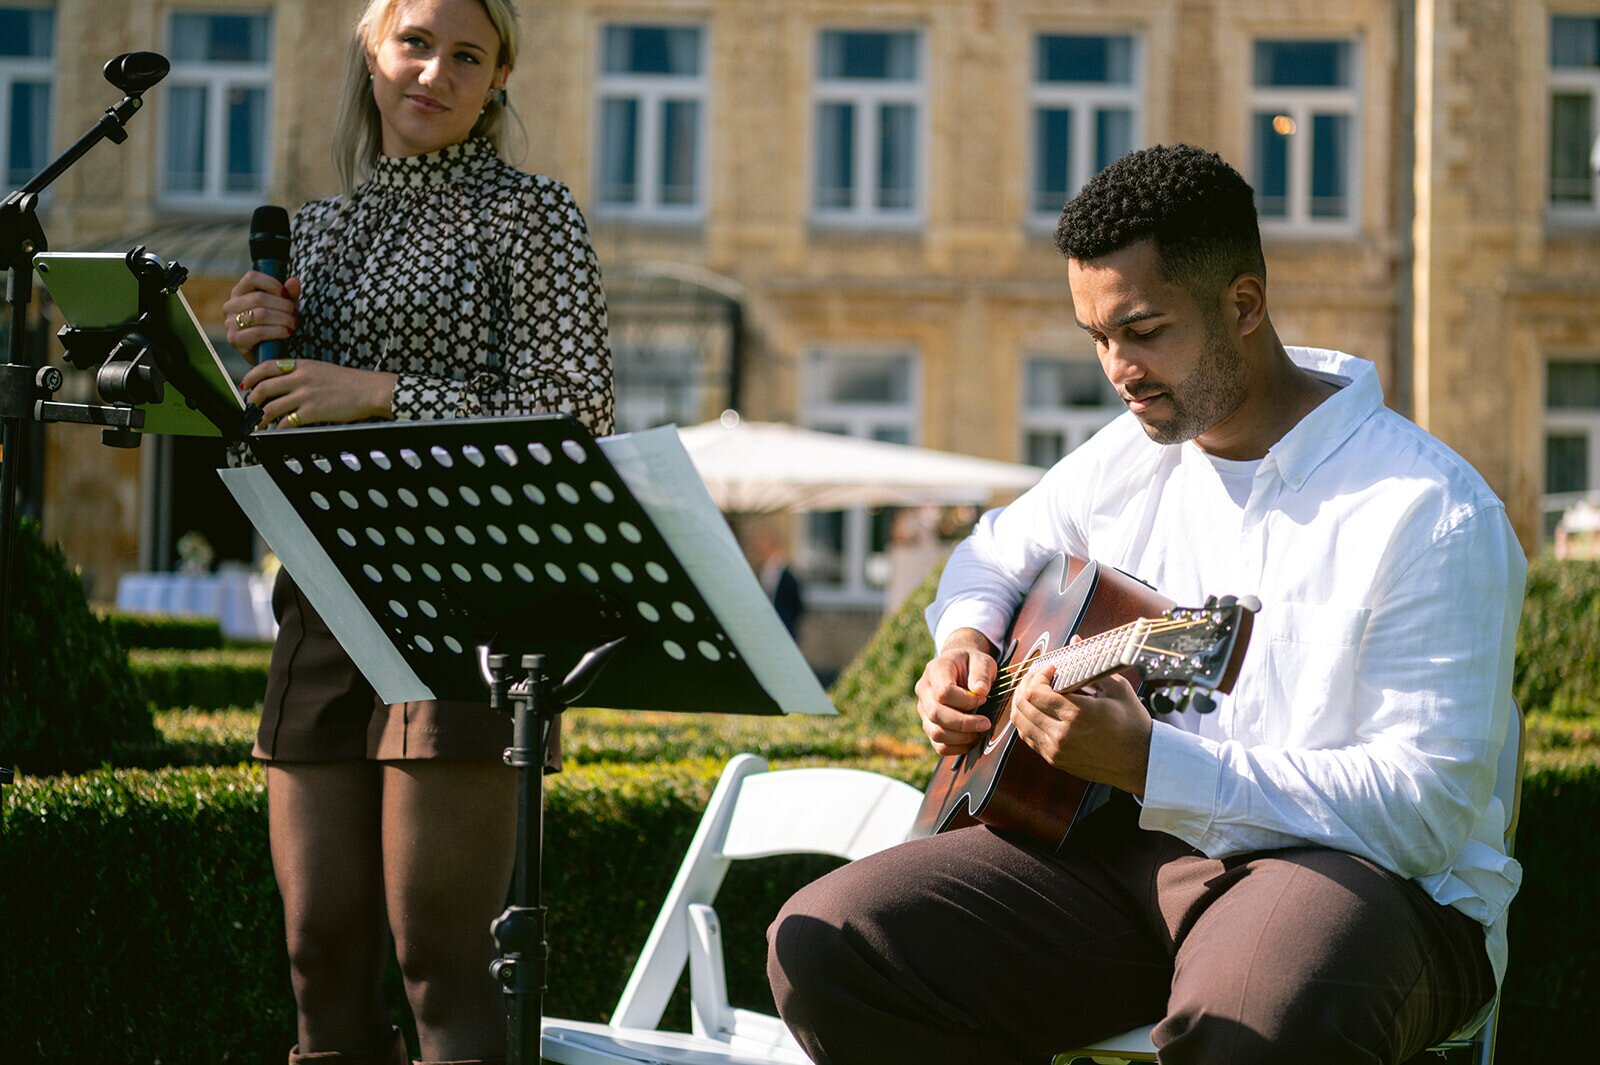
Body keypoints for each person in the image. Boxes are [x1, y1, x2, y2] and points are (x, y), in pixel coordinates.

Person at [766, 144, 1525, 1065]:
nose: (1118, 369)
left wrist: (1152, 763)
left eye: (1144, 329)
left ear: (1243, 306)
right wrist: (964, 639)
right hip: (1118, 864)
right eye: (1097, 337)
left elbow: (1424, 810)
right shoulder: (1129, 453)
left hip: (1365, 883)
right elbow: (991, 552)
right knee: (830, 940)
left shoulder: (1428, 511)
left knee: (1253, 1013)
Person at [220, 2, 612, 1063]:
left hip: (469, 595)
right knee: (317, 954)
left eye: (467, 56)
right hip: (326, 593)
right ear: (370, 51)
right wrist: (246, 362)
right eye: (416, 43)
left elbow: (574, 408)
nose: (435, 71)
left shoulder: (530, 215)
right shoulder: (314, 231)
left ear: (497, 81)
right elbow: (275, 435)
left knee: (442, 957)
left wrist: (380, 392)